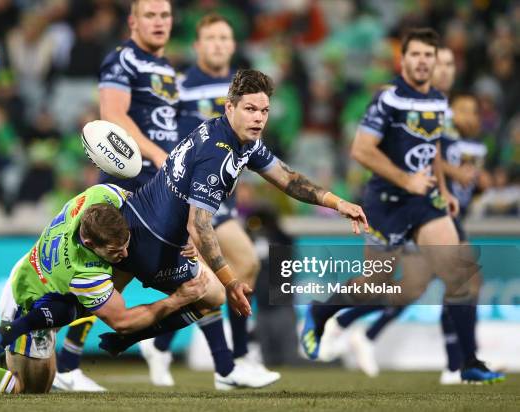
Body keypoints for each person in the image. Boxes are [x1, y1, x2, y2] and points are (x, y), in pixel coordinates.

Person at [92, 68, 367, 391]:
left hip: (135, 223)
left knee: (92, 301)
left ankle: (55, 337)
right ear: (229, 107)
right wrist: (231, 281)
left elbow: (288, 179)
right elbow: (199, 225)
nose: (259, 118)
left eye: (264, 111)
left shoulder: (237, 138)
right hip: (155, 244)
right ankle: (154, 342)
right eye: (250, 109)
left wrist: (337, 203)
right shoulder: (218, 155)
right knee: (212, 295)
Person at [300, 28, 503, 384]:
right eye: (416, 55)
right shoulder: (388, 99)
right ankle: (321, 312)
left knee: (461, 275)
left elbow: (432, 149)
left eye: (429, 55)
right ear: (403, 59)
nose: (423, 61)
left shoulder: (438, 101)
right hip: (386, 204)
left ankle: (468, 363)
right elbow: (361, 150)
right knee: (379, 284)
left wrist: (444, 189)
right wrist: (406, 179)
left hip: (425, 203)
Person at [0, 183, 207, 395]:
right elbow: (124, 322)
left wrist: (183, 234)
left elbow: (142, 206)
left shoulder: (99, 196)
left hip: (34, 274)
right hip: (28, 298)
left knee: (72, 312)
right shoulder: (83, 272)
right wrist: (178, 299)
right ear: (89, 243)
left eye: (125, 244)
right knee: (28, 389)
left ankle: (5, 344)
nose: (124, 253)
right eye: (115, 251)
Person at [139, 13, 279, 388]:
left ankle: (233, 355)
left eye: (224, 38)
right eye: (211, 38)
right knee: (206, 282)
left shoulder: (244, 92)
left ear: (232, 46)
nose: (218, 44)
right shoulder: (180, 87)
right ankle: (224, 363)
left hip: (219, 196)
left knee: (246, 263)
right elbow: (170, 141)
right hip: (188, 195)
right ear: (198, 46)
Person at [51, 0, 179, 391]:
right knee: (105, 277)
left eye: (165, 15)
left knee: (114, 282)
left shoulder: (166, 68)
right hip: (131, 182)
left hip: (159, 184)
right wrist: (156, 155)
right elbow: (113, 115)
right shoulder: (122, 60)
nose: (159, 22)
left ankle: (67, 363)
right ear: (133, 21)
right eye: (150, 15)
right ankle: (227, 362)